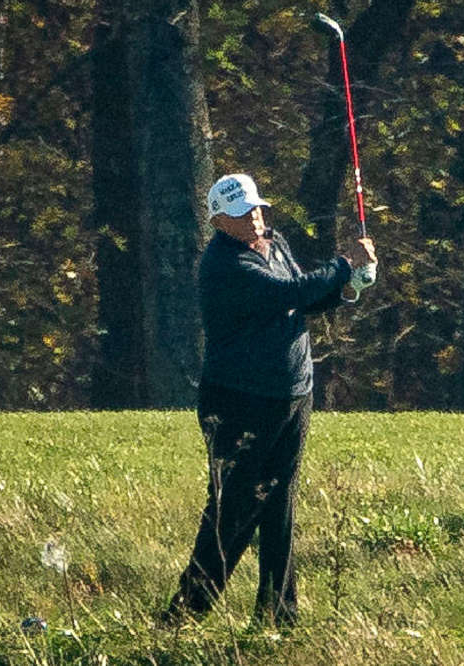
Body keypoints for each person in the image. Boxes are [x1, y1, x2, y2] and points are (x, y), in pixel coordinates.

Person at [163, 172, 376, 627]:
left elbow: (304, 299)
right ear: (219, 220)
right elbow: (287, 293)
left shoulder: (273, 244)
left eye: (257, 208)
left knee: (279, 503)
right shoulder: (224, 265)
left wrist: (348, 287)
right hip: (239, 401)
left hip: (292, 395)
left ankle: (278, 615)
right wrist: (343, 263)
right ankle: (185, 615)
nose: (255, 218)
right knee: (234, 507)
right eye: (243, 213)